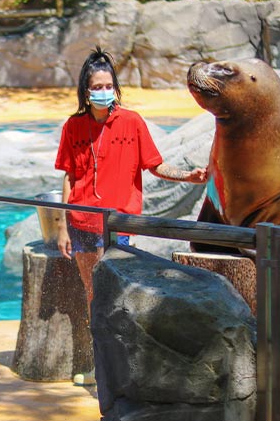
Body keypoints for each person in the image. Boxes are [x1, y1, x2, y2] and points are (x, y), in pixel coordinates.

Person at [56, 47, 207, 316]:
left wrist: (187, 176)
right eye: (98, 86)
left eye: (109, 86)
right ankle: (98, 352)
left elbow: (155, 164)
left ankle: (118, 349)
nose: (104, 91)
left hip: (117, 223)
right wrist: (63, 227)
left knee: (115, 290)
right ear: (86, 91)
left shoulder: (132, 122)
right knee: (91, 290)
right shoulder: (73, 126)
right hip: (80, 222)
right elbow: (70, 175)